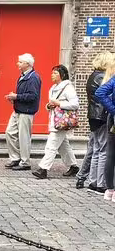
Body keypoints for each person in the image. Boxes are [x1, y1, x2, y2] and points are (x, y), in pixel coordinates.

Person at [32, 65, 79, 179]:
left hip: (62, 121)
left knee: (51, 145)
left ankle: (43, 169)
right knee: (63, 146)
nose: (52, 75)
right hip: (55, 120)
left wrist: (59, 103)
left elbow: (75, 104)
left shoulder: (68, 88)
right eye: (52, 73)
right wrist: (49, 105)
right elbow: (51, 104)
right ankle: (73, 166)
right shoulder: (53, 88)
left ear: (62, 75)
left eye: (55, 73)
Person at [76, 52, 113, 192]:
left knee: (97, 149)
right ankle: (100, 183)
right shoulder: (102, 76)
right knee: (103, 150)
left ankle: (93, 181)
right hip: (102, 116)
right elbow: (106, 95)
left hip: (93, 116)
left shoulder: (92, 75)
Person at [4, 53, 41, 171]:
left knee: (24, 137)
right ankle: (15, 158)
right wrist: (15, 98)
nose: (18, 64)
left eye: (20, 62)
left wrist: (17, 97)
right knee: (10, 132)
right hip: (18, 110)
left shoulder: (33, 78)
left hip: (26, 111)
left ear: (27, 64)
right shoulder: (23, 76)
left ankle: (25, 162)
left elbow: (33, 96)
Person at [94, 60, 115, 202]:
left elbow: (100, 92)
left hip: (112, 120)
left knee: (111, 154)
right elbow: (100, 92)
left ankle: (109, 190)